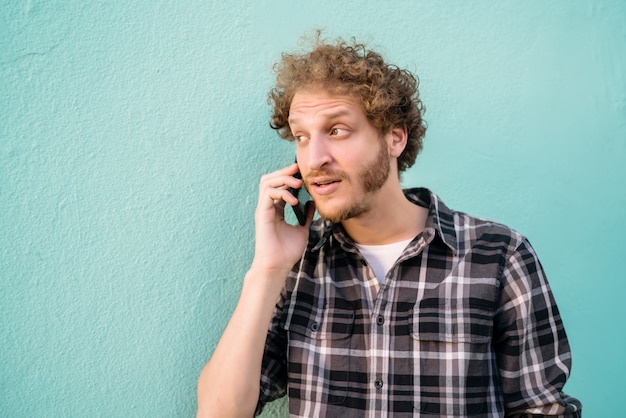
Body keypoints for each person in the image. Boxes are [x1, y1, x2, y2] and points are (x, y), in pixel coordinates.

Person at [196, 33, 582, 417]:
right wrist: (267, 269)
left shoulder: (499, 256)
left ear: (394, 138)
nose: (314, 159)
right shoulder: (296, 266)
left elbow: (542, 410)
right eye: (301, 136)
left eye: (336, 130)